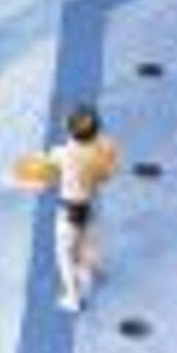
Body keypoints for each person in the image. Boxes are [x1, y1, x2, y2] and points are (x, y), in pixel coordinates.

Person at [48, 105, 120, 313]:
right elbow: (107, 173)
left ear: (69, 130)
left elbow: (47, 171)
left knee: (64, 253)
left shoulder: (62, 154)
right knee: (88, 242)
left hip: (69, 210)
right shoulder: (99, 153)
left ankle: (72, 297)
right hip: (89, 204)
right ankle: (92, 272)